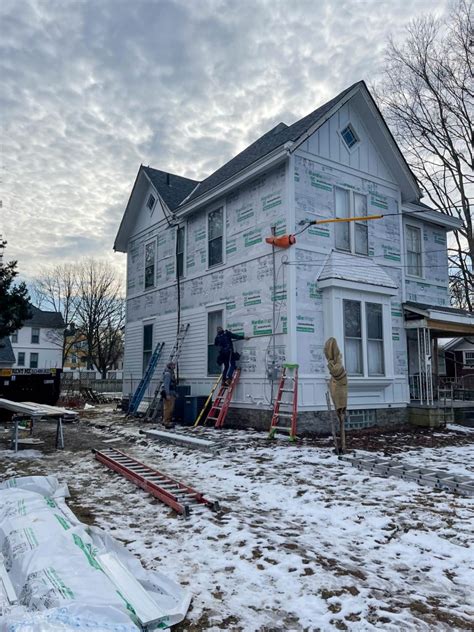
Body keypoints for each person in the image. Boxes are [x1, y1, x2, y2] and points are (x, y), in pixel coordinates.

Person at [161, 362, 177, 429]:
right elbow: (166, 385)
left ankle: (166, 420)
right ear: (170, 366)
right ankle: (166, 422)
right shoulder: (168, 374)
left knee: (169, 408)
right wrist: (167, 394)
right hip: (169, 394)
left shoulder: (171, 373)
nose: (174, 366)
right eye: (173, 365)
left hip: (171, 393)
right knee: (168, 408)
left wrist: (175, 394)